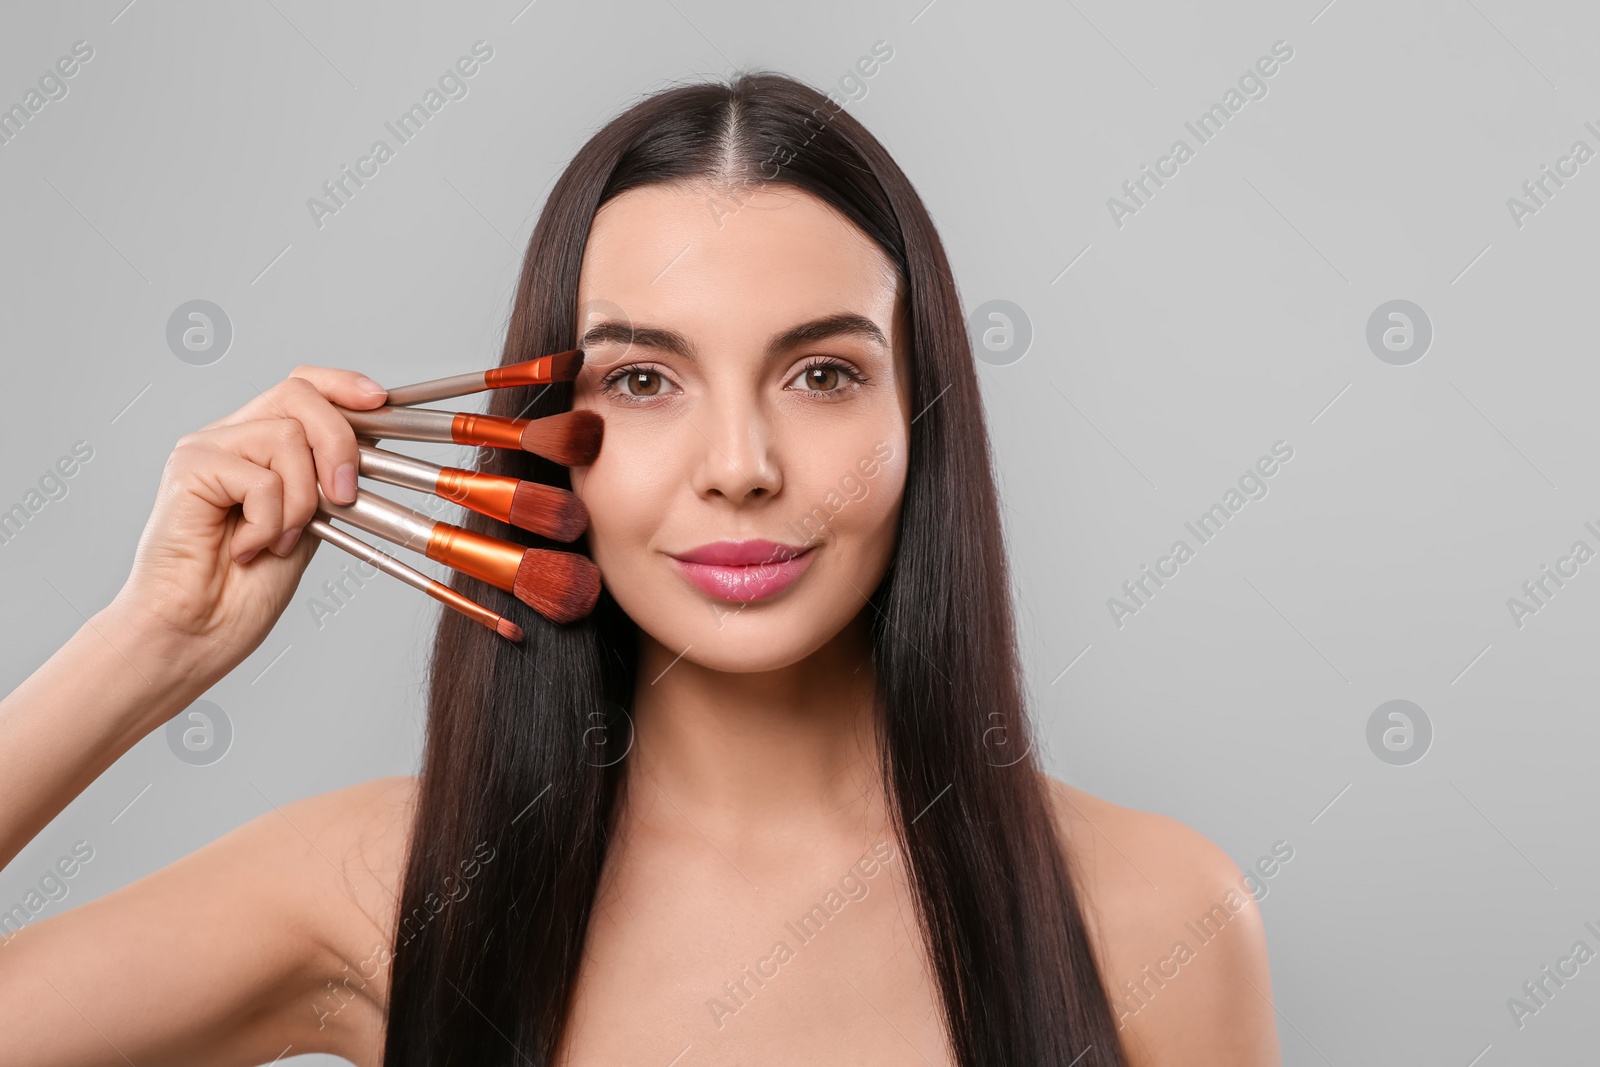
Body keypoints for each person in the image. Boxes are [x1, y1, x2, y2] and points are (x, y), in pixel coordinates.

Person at [0, 72, 1278, 1065]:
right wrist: (148, 644)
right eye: (642, 380)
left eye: (822, 372)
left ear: (921, 423)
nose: (738, 464)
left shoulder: (1156, 912)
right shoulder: (383, 884)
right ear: (544, 447)